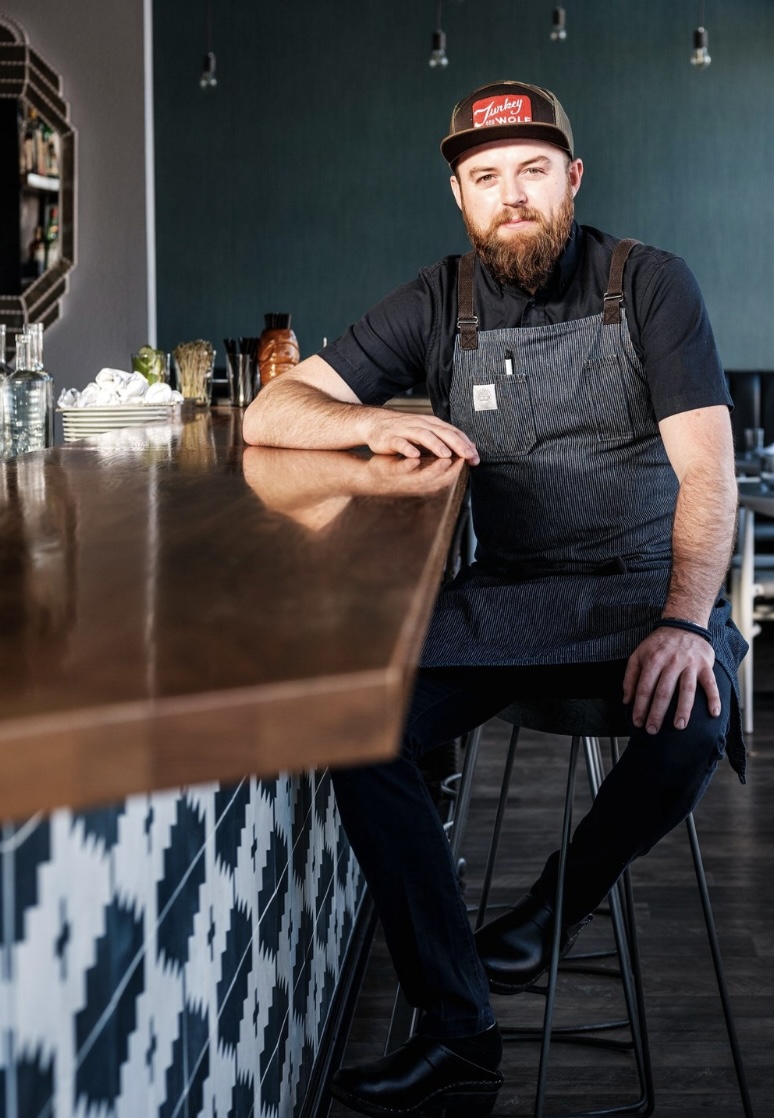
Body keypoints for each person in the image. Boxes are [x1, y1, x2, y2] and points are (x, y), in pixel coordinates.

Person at [242, 80, 747, 1118]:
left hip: (645, 589)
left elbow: (710, 474)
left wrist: (687, 619)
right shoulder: (441, 297)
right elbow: (272, 411)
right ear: (460, 198)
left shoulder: (648, 282)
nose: (510, 196)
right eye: (485, 178)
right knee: (361, 722)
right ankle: (459, 1029)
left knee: (692, 721)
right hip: (510, 594)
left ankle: (553, 906)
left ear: (571, 179)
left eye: (530, 172)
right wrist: (365, 426)